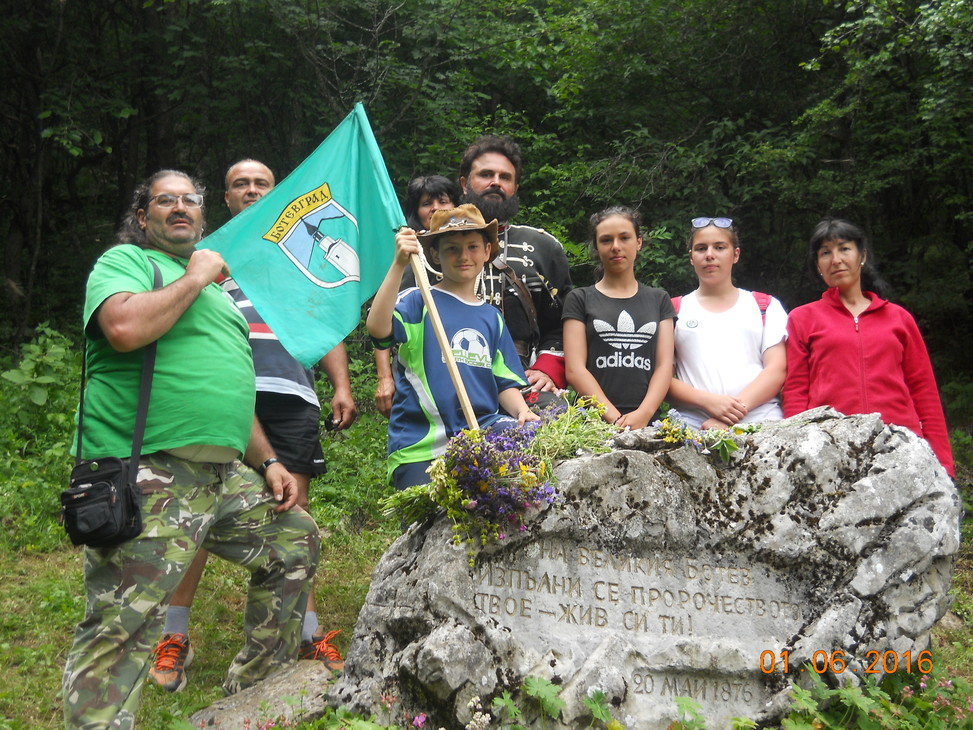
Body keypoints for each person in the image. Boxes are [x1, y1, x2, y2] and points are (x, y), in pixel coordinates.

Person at [62, 170, 320, 729]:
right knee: (122, 624)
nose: (180, 207)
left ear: (203, 216)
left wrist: (269, 460)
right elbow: (123, 327)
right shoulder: (128, 263)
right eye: (165, 200)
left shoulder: (220, 299)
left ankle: (252, 701)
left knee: (294, 540)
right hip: (146, 472)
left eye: (189, 200)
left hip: (223, 476)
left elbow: (230, 389)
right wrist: (196, 276)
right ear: (143, 217)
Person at [148, 160, 356, 693]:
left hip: (290, 395)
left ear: (275, 190)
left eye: (262, 183)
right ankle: (174, 635)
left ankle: (306, 634)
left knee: (294, 515)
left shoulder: (294, 252)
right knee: (196, 516)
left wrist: (341, 383)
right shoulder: (204, 253)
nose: (252, 190)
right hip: (222, 396)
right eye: (240, 184)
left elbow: (323, 319)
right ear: (225, 197)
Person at [367, 204, 539, 490]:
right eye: (452, 249)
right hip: (422, 444)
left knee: (531, 439)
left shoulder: (491, 317)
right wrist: (398, 264)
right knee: (430, 517)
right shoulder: (418, 300)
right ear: (435, 254)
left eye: (472, 247)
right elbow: (377, 328)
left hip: (480, 434)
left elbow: (504, 382)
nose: (463, 256)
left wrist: (522, 411)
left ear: (487, 251)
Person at [783, 217, 954, 477]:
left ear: (862, 256)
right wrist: (796, 456)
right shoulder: (802, 318)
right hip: (831, 451)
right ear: (818, 265)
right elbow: (796, 392)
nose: (836, 259)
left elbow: (924, 392)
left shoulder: (898, 318)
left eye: (844, 248)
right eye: (825, 253)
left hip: (901, 448)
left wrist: (944, 466)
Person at [666, 217, 788, 430]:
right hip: (695, 427)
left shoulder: (765, 306)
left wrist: (728, 414)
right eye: (701, 248)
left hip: (763, 425)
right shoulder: (673, 310)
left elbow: (777, 369)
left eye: (719, 247)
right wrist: (709, 403)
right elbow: (661, 378)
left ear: (736, 254)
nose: (709, 255)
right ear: (691, 257)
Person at [563, 206, 675, 429]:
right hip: (592, 424)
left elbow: (664, 367)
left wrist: (644, 414)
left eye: (624, 238)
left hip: (647, 423)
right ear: (596, 247)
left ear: (639, 242)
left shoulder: (659, 299)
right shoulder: (580, 298)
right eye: (606, 240)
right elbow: (575, 370)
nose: (616, 246)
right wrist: (615, 419)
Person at [374, 174, 461, 416]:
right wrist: (384, 378)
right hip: (415, 362)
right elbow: (382, 322)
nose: (435, 208)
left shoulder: (470, 252)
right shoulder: (406, 255)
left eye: (443, 201)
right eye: (426, 203)